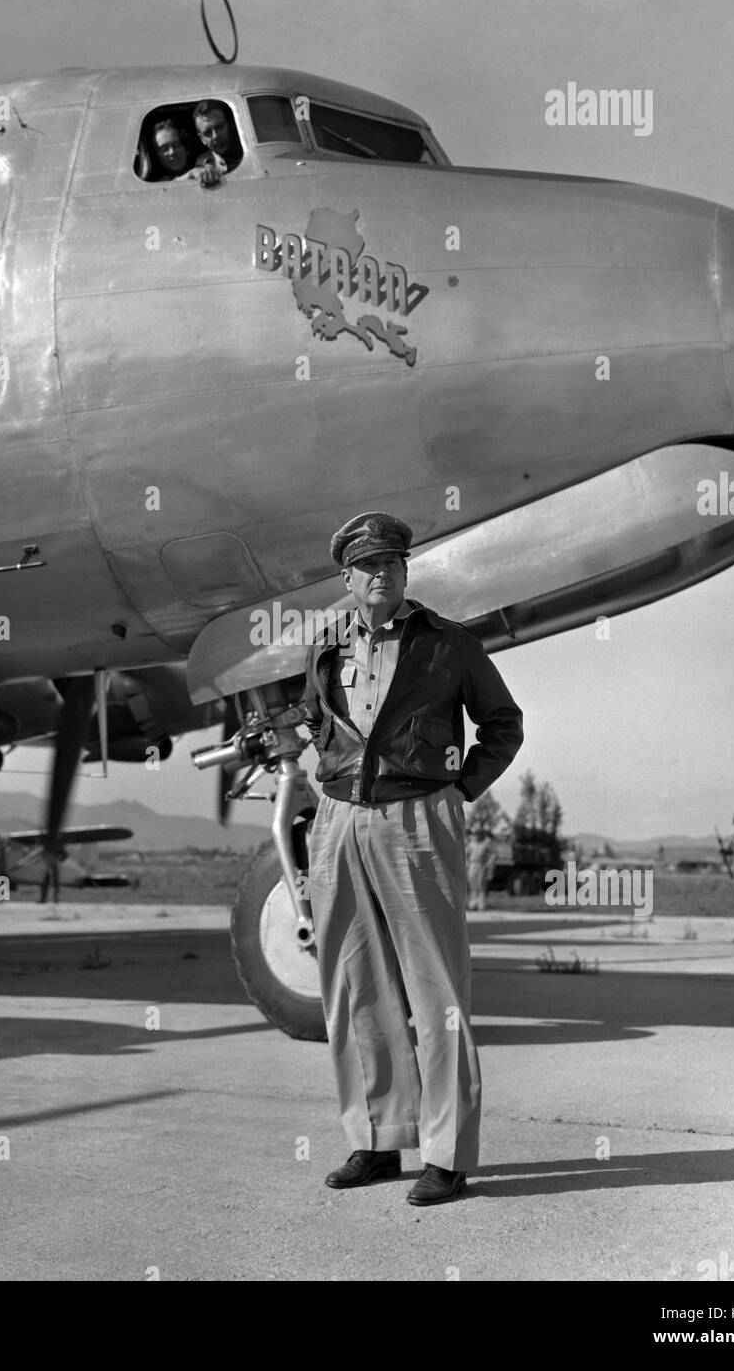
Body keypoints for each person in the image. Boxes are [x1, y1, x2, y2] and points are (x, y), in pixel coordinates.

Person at [303, 511, 523, 1206]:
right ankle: (374, 1140)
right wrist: (326, 775)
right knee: (352, 988)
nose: (381, 575)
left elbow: (502, 724)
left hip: (418, 820)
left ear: (404, 572)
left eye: (392, 564)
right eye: (367, 566)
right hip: (340, 823)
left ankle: (446, 1155)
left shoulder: (447, 645)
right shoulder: (325, 648)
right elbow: (316, 720)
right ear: (347, 577)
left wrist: (458, 790)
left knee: (436, 994)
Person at [189, 99, 242, 186]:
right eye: (208, 133)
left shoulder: (252, 152)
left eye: (220, 127)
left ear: (232, 124)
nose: (215, 136)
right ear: (202, 139)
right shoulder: (203, 164)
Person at [466, 827, 496, 912]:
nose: (476, 836)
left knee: (481, 885)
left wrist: (489, 863)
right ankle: (472, 903)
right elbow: (466, 854)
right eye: (475, 834)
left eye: (478, 834)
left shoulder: (485, 844)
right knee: (472, 884)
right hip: (472, 864)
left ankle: (481, 904)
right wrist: (466, 863)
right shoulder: (471, 844)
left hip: (481, 864)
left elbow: (493, 854)